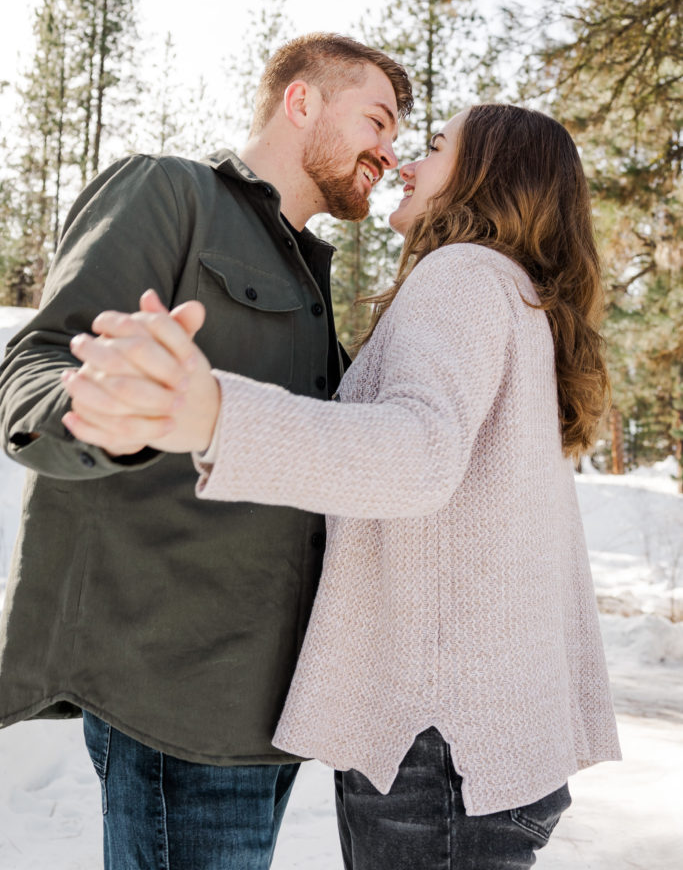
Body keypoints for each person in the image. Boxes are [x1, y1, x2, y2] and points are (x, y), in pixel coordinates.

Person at [60, 103, 623, 870]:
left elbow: (416, 455)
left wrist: (216, 416)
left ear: (487, 175)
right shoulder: (517, 296)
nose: (405, 164)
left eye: (430, 148)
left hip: (436, 747)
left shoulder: (459, 276)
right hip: (489, 744)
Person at [0, 32, 413, 870]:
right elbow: (39, 361)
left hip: (268, 699)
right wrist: (96, 410)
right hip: (172, 684)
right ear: (301, 102)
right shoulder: (170, 190)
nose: (389, 150)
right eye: (377, 119)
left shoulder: (305, 276)